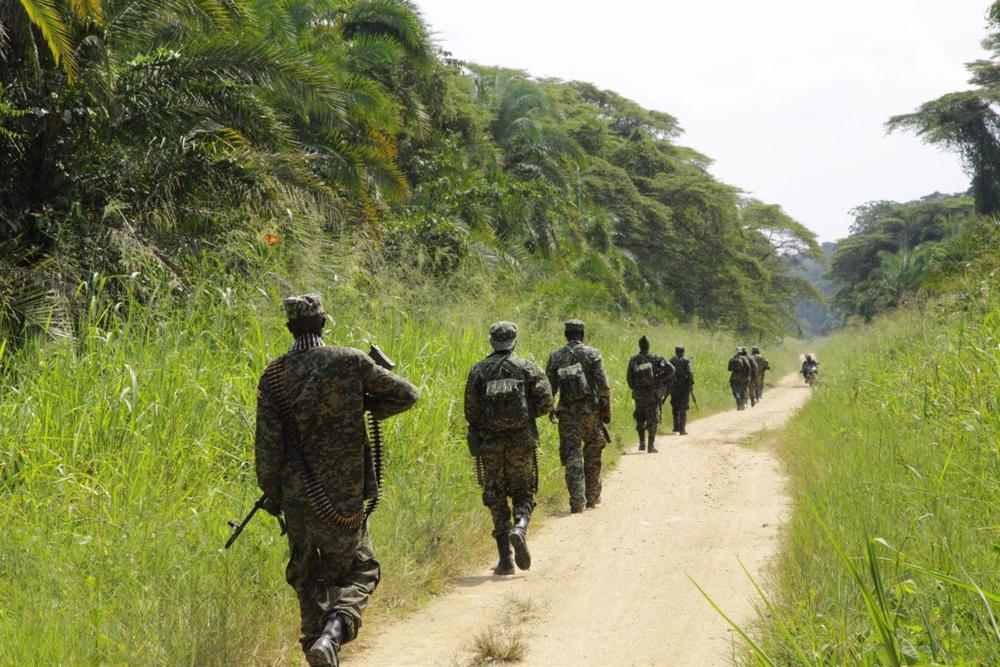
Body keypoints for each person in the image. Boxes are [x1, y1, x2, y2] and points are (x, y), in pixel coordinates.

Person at [254, 293, 419, 667]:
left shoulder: (274, 375)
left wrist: (272, 493)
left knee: (307, 576)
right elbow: (408, 394)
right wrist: (361, 404)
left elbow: (267, 447)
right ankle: (332, 635)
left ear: (289, 328)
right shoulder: (349, 361)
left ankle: (317, 644)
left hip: (298, 497)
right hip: (343, 498)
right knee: (361, 568)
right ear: (323, 323)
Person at [464, 322, 553, 575]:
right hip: (522, 441)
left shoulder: (479, 371)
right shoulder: (527, 367)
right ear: (514, 341)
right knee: (523, 491)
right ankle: (520, 528)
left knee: (496, 495)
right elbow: (546, 402)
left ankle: (505, 560)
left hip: (490, 444)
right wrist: (526, 417)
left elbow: (471, 411)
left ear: (492, 340)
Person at [546, 319, 611, 513]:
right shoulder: (593, 354)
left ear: (566, 335)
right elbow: (603, 386)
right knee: (592, 452)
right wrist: (606, 411)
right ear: (582, 334)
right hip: (590, 412)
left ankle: (577, 501)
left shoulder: (556, 356)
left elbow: (549, 388)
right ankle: (592, 496)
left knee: (572, 455)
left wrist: (551, 409)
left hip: (566, 414)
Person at [626, 335, 673, 453]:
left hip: (639, 395)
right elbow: (671, 369)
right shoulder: (656, 358)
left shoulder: (633, 360)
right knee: (652, 419)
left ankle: (642, 443)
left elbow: (629, 379)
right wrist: (659, 379)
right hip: (653, 394)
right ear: (648, 346)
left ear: (639, 346)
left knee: (640, 417)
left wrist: (636, 388)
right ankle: (651, 446)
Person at [668, 346, 694, 435]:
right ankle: (682, 429)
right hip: (684, 388)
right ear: (683, 351)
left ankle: (675, 427)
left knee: (675, 407)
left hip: (674, 387)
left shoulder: (671, 360)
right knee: (683, 407)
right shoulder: (686, 361)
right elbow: (690, 372)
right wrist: (690, 384)